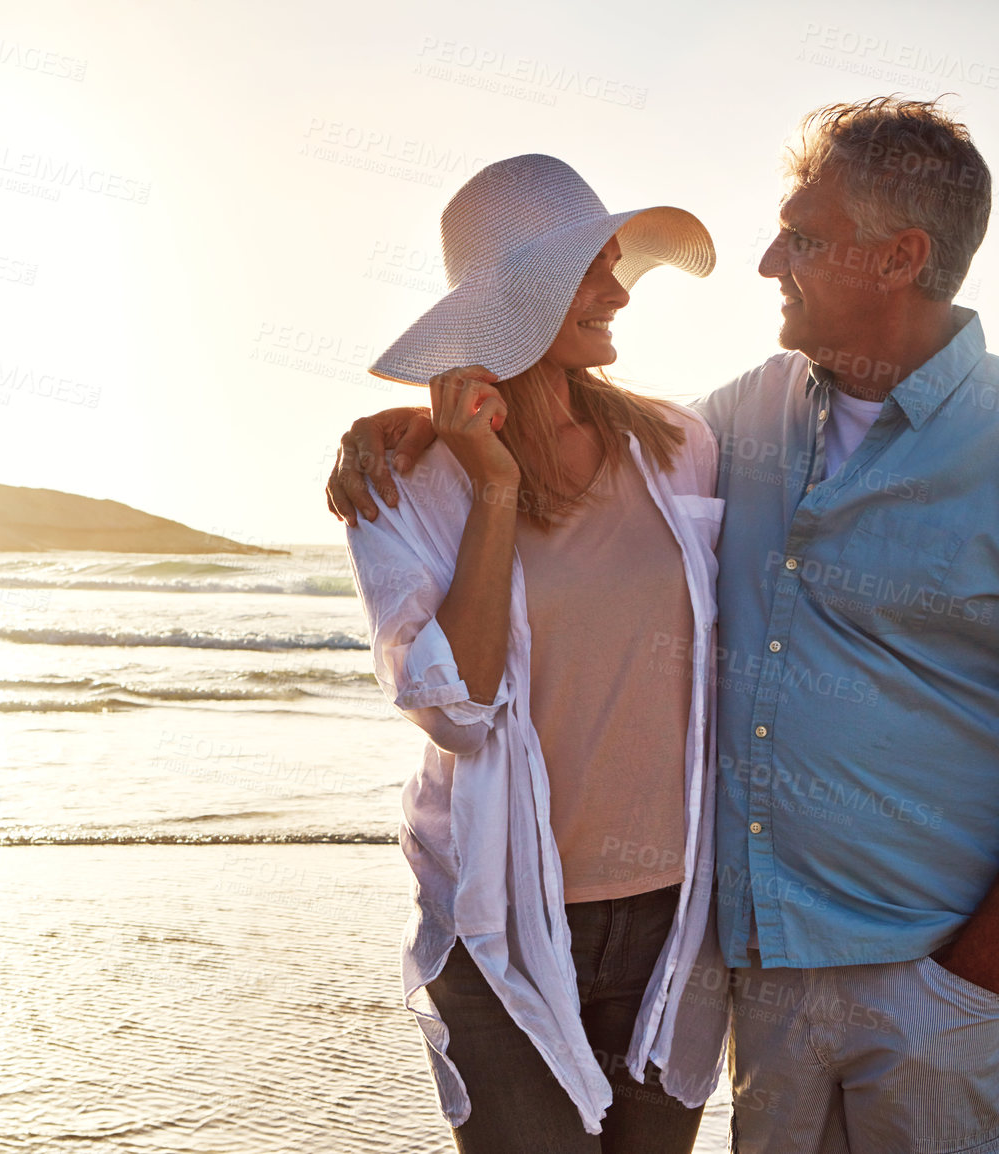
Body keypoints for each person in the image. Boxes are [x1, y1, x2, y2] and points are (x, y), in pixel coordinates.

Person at [327, 98, 999, 1153]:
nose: (770, 259)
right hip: (753, 976)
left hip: (925, 978)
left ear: (900, 256)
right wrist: (420, 424)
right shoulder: (747, 420)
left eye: (804, 237)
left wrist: (974, 977)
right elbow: (563, 470)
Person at [340, 153, 732, 1152]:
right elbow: (457, 707)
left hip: (669, 923)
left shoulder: (682, 445)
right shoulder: (407, 487)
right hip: (499, 918)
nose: (618, 290)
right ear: (517, 295)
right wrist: (494, 483)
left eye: (614, 260)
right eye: (590, 268)